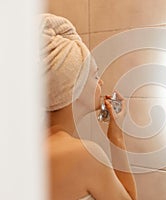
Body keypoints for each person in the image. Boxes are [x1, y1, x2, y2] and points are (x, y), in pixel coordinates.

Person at [40, 13, 137, 199]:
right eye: (94, 75)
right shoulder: (84, 155)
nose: (100, 82)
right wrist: (117, 136)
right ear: (73, 87)